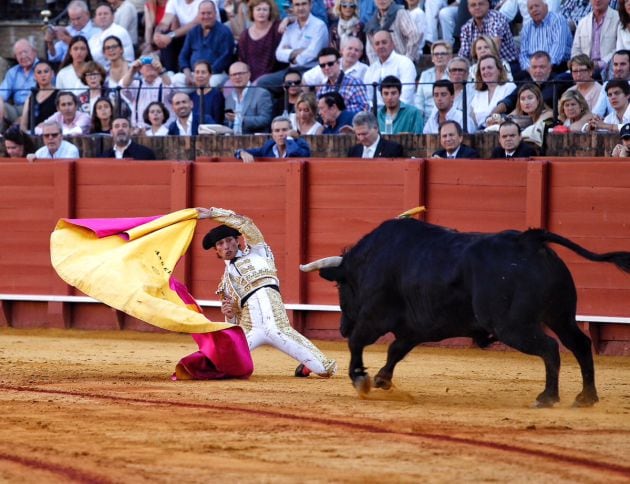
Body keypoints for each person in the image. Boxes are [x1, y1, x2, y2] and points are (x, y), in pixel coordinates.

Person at [197, 206, 337, 378]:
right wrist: (229, 314)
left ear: (237, 240)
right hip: (251, 330)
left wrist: (213, 214)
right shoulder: (225, 285)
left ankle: (307, 364)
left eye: (229, 240)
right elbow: (235, 323)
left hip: (275, 323)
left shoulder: (258, 252)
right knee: (220, 366)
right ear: (216, 250)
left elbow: (246, 224)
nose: (226, 246)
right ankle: (306, 359)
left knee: (325, 370)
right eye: (220, 244)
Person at [257, 0, 329, 94]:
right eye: (297, 5)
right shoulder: (290, 27)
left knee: (299, 83)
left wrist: (290, 54)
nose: (300, 8)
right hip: (291, 69)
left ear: (310, 5)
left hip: (310, 69)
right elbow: (278, 53)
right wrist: (294, 53)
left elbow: (312, 53)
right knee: (263, 82)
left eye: (304, 4)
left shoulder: (319, 26)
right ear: (293, 7)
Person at [177, 0, 234, 89]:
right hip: (193, 74)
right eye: (203, 13)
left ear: (215, 14)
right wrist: (188, 74)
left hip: (214, 74)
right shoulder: (193, 31)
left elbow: (225, 58)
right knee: (175, 81)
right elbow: (183, 56)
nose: (206, 16)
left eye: (209, 13)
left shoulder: (225, 32)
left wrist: (205, 74)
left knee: (211, 84)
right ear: (198, 15)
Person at [458, 0, 520, 76]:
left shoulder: (496, 18)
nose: (477, 7)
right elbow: (463, 55)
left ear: (488, 5)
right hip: (482, 67)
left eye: (481, 4)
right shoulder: (467, 27)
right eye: (473, 5)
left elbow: (493, 49)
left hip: (508, 65)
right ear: (469, 8)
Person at [363, 30, 417, 107]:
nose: (381, 46)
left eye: (384, 42)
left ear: (392, 44)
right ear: (374, 48)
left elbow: (406, 97)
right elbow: (368, 97)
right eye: (377, 44)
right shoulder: (371, 69)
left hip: (402, 113)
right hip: (377, 114)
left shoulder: (404, 63)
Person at [120, 54, 174, 132]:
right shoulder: (135, 84)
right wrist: (132, 70)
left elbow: (171, 92)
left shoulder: (166, 81)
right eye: (145, 64)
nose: (149, 66)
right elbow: (123, 88)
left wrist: (161, 70)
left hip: (164, 130)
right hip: (140, 130)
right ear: (140, 69)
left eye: (153, 63)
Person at [519, 0, 572, 72]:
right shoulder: (527, 28)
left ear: (546, 7)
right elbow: (523, 55)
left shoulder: (558, 21)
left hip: (555, 67)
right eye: (531, 8)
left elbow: (557, 51)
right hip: (533, 70)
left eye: (537, 6)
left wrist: (542, 68)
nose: (534, 10)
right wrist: (531, 69)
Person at [237, 0, 283, 82]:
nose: (261, 12)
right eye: (258, 9)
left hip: (272, 77)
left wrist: (287, 20)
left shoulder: (277, 28)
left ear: (270, 12)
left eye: (265, 10)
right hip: (250, 78)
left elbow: (295, 20)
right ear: (252, 12)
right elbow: (242, 60)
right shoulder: (245, 35)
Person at [44, 0, 101, 65]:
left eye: (78, 18)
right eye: (72, 19)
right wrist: (50, 42)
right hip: (65, 69)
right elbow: (54, 57)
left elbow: (92, 55)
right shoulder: (68, 30)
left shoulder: (97, 31)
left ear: (87, 14)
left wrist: (66, 39)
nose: (76, 23)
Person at [571, 0, 619, 76]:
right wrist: (579, 64)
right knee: (559, 80)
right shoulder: (583, 22)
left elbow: (619, 49)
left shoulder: (618, 19)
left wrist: (600, 64)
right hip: (583, 69)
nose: (597, 0)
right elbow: (576, 49)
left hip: (607, 69)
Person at [224, 62, 274, 134]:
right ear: (230, 78)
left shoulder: (262, 94)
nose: (237, 77)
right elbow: (227, 122)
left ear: (249, 75)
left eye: (240, 73)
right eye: (234, 74)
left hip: (254, 141)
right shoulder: (229, 98)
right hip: (232, 140)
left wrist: (240, 119)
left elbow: (265, 120)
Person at [315, 47, 368, 114]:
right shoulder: (322, 89)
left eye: (330, 64)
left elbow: (364, 108)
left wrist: (338, 112)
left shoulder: (354, 83)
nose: (326, 67)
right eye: (322, 65)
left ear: (338, 63)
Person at [235, 116, 311, 162]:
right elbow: (239, 152)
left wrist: (289, 138)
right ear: (272, 134)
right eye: (277, 131)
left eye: (284, 130)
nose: (281, 134)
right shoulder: (268, 147)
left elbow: (293, 152)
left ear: (291, 130)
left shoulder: (301, 144)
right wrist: (242, 153)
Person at [470, 55, 516, 130]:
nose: (486, 71)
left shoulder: (509, 86)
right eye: (483, 69)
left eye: (489, 67)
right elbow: (473, 121)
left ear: (499, 70)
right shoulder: (477, 93)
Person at [302, 36, 368, 87]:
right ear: (342, 50)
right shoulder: (329, 63)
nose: (352, 52)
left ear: (361, 54)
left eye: (356, 50)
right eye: (350, 48)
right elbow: (306, 78)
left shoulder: (366, 70)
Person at [0, 39, 39, 124]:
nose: (23, 56)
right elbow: (2, 93)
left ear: (34, 52)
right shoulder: (13, 72)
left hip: (36, 109)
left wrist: (24, 117)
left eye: (25, 52)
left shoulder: (42, 68)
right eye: (19, 54)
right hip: (16, 109)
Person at [415, 41, 453, 120]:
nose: (439, 56)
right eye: (436, 54)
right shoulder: (425, 75)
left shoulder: (453, 75)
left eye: (443, 54)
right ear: (432, 58)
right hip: (426, 119)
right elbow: (419, 100)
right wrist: (419, 119)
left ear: (449, 57)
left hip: (448, 118)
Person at [19, 61, 57, 134]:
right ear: (34, 76)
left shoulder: (59, 94)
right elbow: (23, 123)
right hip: (31, 135)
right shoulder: (31, 96)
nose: (43, 75)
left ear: (52, 74)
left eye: (46, 71)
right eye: (39, 72)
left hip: (51, 134)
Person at [189, 60, 225, 125]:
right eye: (197, 72)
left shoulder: (217, 95)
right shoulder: (190, 96)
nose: (200, 75)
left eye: (203, 72)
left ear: (210, 75)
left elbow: (218, 120)